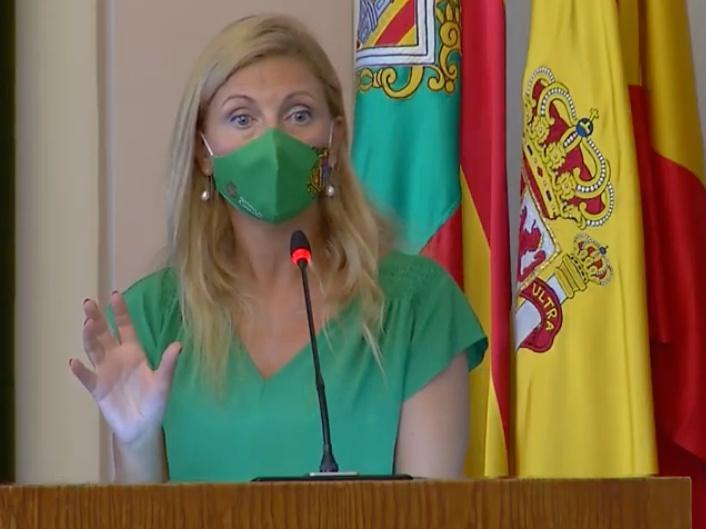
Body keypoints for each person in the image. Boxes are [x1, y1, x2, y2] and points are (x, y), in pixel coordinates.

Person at [69, 13, 487, 483]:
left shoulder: (417, 306)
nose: (271, 140)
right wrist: (137, 445)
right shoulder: (151, 317)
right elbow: (141, 514)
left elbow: (430, 512)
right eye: (242, 118)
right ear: (204, 153)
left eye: (298, 114)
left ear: (334, 143)